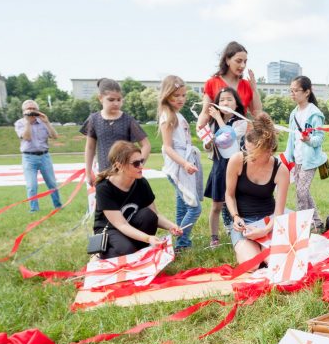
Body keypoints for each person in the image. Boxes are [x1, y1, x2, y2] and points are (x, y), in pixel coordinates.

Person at [91, 141, 181, 259]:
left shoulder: (141, 182)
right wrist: (147, 238)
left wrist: (171, 226)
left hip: (130, 225)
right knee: (127, 251)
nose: (141, 166)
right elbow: (121, 224)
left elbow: (155, 214)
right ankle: (100, 255)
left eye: (141, 161)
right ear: (119, 165)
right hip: (111, 229)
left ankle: (136, 249)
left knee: (149, 215)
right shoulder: (104, 188)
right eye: (136, 163)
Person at [225, 116, 289, 264]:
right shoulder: (237, 160)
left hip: (269, 221)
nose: (248, 155)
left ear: (268, 151)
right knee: (251, 264)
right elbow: (229, 195)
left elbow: (279, 213)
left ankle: (264, 245)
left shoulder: (281, 170)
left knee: (274, 261)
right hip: (243, 222)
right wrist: (235, 217)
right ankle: (249, 246)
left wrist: (265, 230)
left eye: (253, 153)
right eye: (246, 149)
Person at [159, 75, 204, 252]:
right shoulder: (167, 117)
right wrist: (184, 163)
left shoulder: (177, 115)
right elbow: (168, 147)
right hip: (177, 169)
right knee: (194, 208)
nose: (181, 99)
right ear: (167, 95)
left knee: (182, 207)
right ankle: (182, 241)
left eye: (183, 95)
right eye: (176, 95)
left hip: (183, 166)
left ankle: (180, 245)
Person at [81, 78, 150, 188]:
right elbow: (90, 148)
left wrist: (138, 165)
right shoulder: (93, 119)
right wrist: (88, 172)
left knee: (128, 205)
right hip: (104, 176)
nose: (116, 103)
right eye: (111, 100)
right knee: (105, 205)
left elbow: (146, 145)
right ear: (100, 98)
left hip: (125, 177)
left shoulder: (128, 120)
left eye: (119, 99)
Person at [203, 87, 248, 247]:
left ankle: (239, 232)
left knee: (237, 201)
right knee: (217, 205)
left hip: (236, 167)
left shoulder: (241, 122)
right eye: (221, 100)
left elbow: (230, 137)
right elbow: (207, 146)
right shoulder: (213, 123)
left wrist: (218, 118)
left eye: (229, 99)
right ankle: (214, 238)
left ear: (236, 104)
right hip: (220, 167)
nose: (225, 102)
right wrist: (208, 143)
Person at [285, 75, 327, 230]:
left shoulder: (315, 113)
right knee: (302, 191)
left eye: (296, 90)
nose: (293, 93)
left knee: (301, 192)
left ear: (307, 92)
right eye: (291, 91)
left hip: (310, 160)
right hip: (297, 158)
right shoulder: (293, 113)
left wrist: (309, 139)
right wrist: (288, 157)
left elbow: (319, 139)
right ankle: (316, 222)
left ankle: (303, 225)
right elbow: (291, 137)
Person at [197, 41, 262, 132]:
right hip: (218, 137)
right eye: (238, 61)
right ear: (227, 60)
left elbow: (257, 112)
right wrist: (200, 126)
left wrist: (254, 89)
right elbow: (205, 113)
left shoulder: (247, 85)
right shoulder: (211, 83)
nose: (243, 65)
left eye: (245, 62)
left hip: (241, 137)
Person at [14, 100, 62, 212]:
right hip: (29, 157)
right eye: (28, 108)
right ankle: (34, 209)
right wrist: (28, 122)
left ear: (38, 110)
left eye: (34, 108)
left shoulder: (42, 122)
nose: (31, 110)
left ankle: (58, 206)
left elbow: (55, 136)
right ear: (23, 111)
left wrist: (47, 122)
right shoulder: (19, 123)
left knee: (52, 183)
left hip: (44, 156)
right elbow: (26, 137)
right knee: (31, 185)